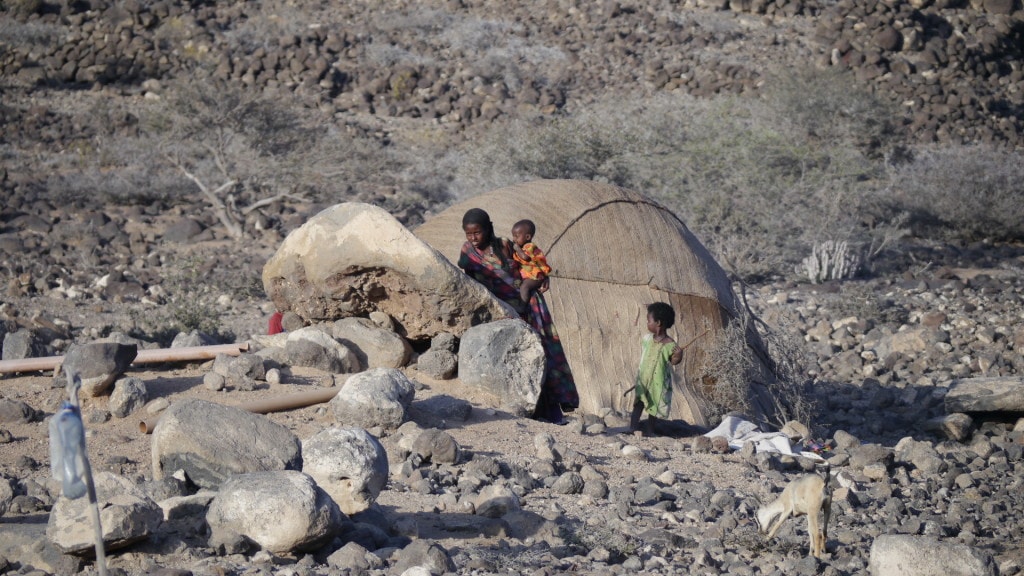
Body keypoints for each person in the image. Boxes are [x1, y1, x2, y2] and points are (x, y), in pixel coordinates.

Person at [458, 208, 579, 424]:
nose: (473, 238)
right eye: (469, 234)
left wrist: (542, 277)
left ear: (488, 229)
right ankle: (525, 411)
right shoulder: (468, 252)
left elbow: (533, 262)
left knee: (542, 352)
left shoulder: (506, 244)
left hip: (529, 305)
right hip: (501, 310)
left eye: (477, 233)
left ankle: (552, 413)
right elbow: (470, 282)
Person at [630, 302, 684, 436]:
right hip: (644, 378)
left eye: (648, 320)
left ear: (658, 323)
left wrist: (678, 356)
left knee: (654, 406)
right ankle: (633, 427)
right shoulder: (647, 339)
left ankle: (649, 430)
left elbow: (673, 361)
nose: (647, 323)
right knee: (639, 403)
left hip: (658, 382)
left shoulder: (670, 344)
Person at [510, 219, 552, 303]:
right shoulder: (523, 248)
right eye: (513, 236)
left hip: (535, 277)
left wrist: (517, 249)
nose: (514, 239)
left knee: (524, 287)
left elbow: (525, 257)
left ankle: (523, 305)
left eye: (516, 236)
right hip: (530, 276)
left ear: (528, 237)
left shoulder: (529, 247)